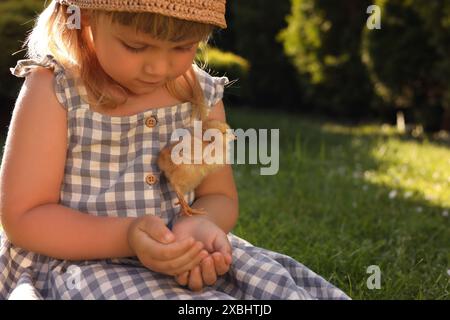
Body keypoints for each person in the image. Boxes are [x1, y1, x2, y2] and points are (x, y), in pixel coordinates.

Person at [0, 0, 350, 300]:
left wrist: (197, 229)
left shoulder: (199, 95)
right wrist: (128, 237)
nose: (158, 67)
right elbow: (24, 217)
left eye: (182, 47)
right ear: (87, 17)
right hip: (76, 260)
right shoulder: (55, 89)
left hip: (177, 250)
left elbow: (219, 196)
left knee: (273, 289)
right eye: (136, 47)